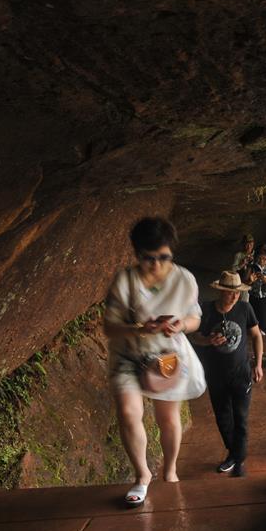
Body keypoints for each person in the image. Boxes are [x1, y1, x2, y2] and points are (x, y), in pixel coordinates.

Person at [103, 217, 206, 508]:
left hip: (165, 355)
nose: (158, 265)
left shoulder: (184, 279)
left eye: (164, 257)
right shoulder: (125, 280)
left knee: (168, 418)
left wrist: (180, 325)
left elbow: (195, 318)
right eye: (150, 259)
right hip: (128, 353)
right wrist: (139, 328)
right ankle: (142, 475)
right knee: (128, 412)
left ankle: (170, 470)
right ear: (137, 254)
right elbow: (110, 327)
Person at [191, 271, 263, 477]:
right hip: (215, 374)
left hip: (241, 373)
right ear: (220, 291)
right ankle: (234, 453)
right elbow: (195, 337)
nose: (234, 296)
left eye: (237, 293)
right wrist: (208, 341)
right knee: (223, 418)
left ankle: (238, 459)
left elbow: (257, 335)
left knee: (240, 417)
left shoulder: (244, 308)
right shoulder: (205, 310)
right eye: (230, 292)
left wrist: (258, 364)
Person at [231, 234, 255, 302]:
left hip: (255, 284)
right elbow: (233, 270)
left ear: (253, 243)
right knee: (244, 303)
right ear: (243, 244)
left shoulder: (256, 254)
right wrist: (242, 264)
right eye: (246, 243)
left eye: (250, 243)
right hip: (243, 284)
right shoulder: (238, 255)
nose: (249, 246)